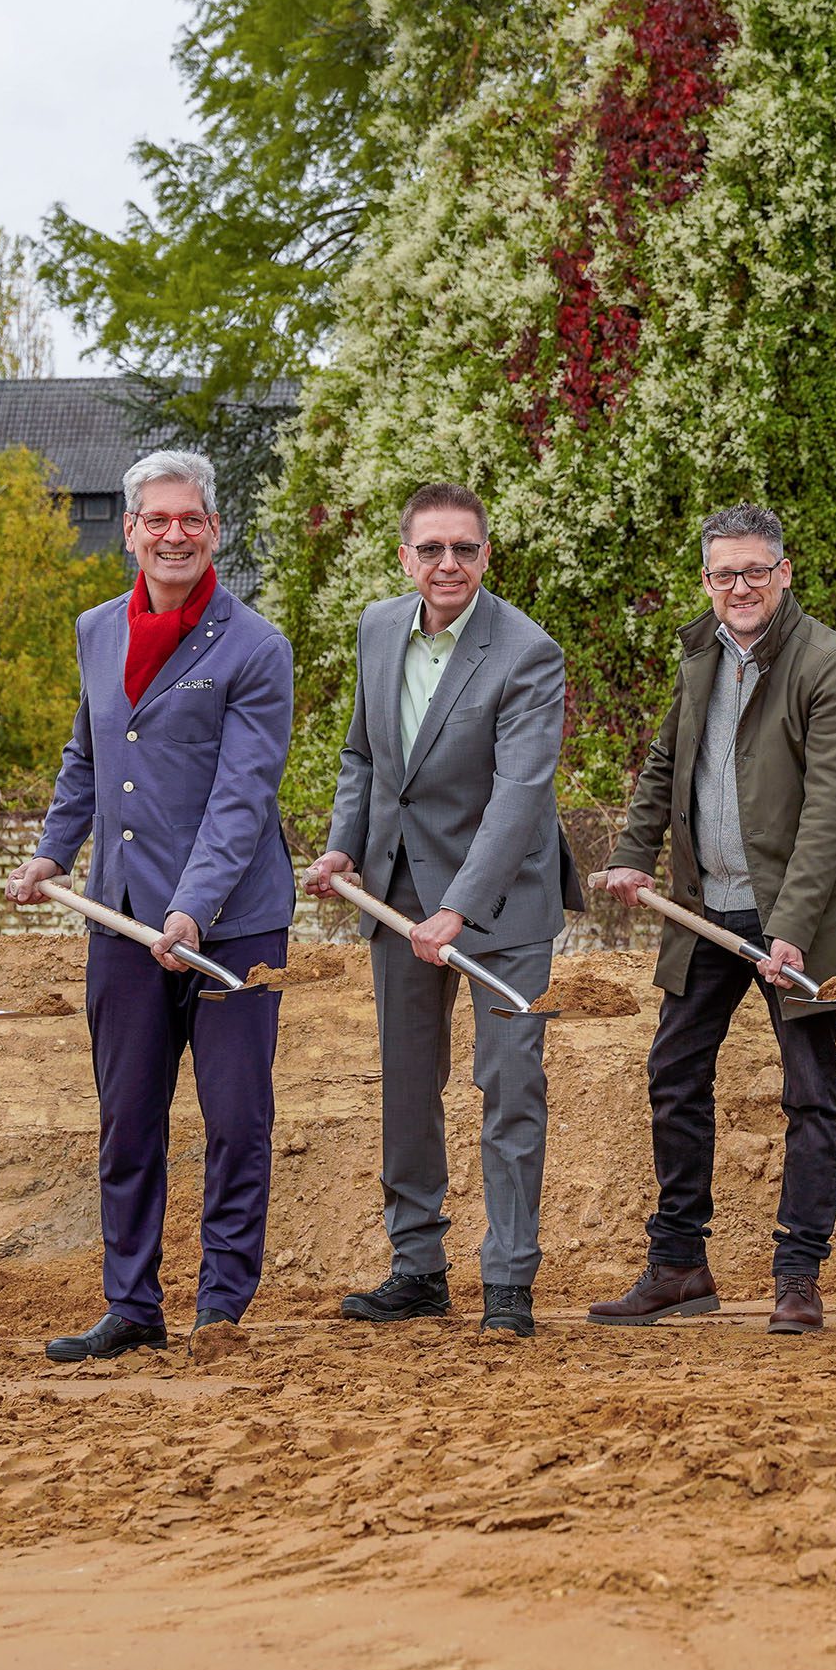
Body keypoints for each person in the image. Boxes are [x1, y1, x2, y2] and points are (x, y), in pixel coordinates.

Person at [9, 450, 295, 1363]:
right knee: (128, 1118)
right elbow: (88, 757)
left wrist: (194, 911)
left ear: (214, 532)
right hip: (122, 920)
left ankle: (221, 1306)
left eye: (192, 520)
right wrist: (54, 849)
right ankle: (131, 1305)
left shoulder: (255, 647)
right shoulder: (97, 629)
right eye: (156, 520)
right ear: (130, 531)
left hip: (233, 924)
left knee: (236, 1116)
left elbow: (242, 798)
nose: (174, 534)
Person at [591, 504, 836, 1336]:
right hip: (703, 911)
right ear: (706, 581)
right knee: (674, 1075)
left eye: (756, 570)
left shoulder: (832, 666)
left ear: (784, 573)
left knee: (809, 1092)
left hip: (800, 919)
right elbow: (664, 762)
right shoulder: (700, 657)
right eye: (724, 573)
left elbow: (833, 812)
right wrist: (631, 851)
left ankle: (797, 1273)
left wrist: (788, 926)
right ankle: (680, 1263)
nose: (740, 587)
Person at [302, 482, 580, 1337]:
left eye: (463, 548)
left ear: (486, 554)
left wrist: (458, 908)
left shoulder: (528, 652)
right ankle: (417, 1266)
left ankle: (508, 1281)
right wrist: (346, 845)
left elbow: (521, 796)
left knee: (509, 1086)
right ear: (406, 557)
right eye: (431, 549)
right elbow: (362, 754)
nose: (447, 564)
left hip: (502, 906)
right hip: (397, 896)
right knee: (405, 1087)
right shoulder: (378, 628)